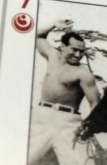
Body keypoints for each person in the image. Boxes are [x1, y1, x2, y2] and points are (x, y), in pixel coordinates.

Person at [28, 19, 101, 165]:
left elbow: (95, 102)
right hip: (41, 116)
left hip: (69, 122)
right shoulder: (52, 55)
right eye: (74, 50)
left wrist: (87, 124)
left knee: (81, 163)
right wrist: (53, 24)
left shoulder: (83, 73)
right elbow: (37, 36)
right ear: (63, 46)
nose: (78, 55)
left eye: (82, 51)